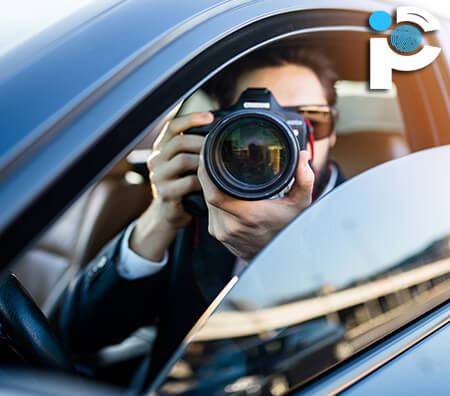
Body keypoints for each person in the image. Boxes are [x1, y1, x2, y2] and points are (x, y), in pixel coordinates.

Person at [59, 46, 344, 377]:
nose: (277, 142)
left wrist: (273, 259)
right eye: (255, 126)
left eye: (308, 121)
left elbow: (349, 349)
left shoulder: (375, 208)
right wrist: (161, 215)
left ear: (332, 131)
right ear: (218, 129)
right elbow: (80, 335)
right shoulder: (196, 206)